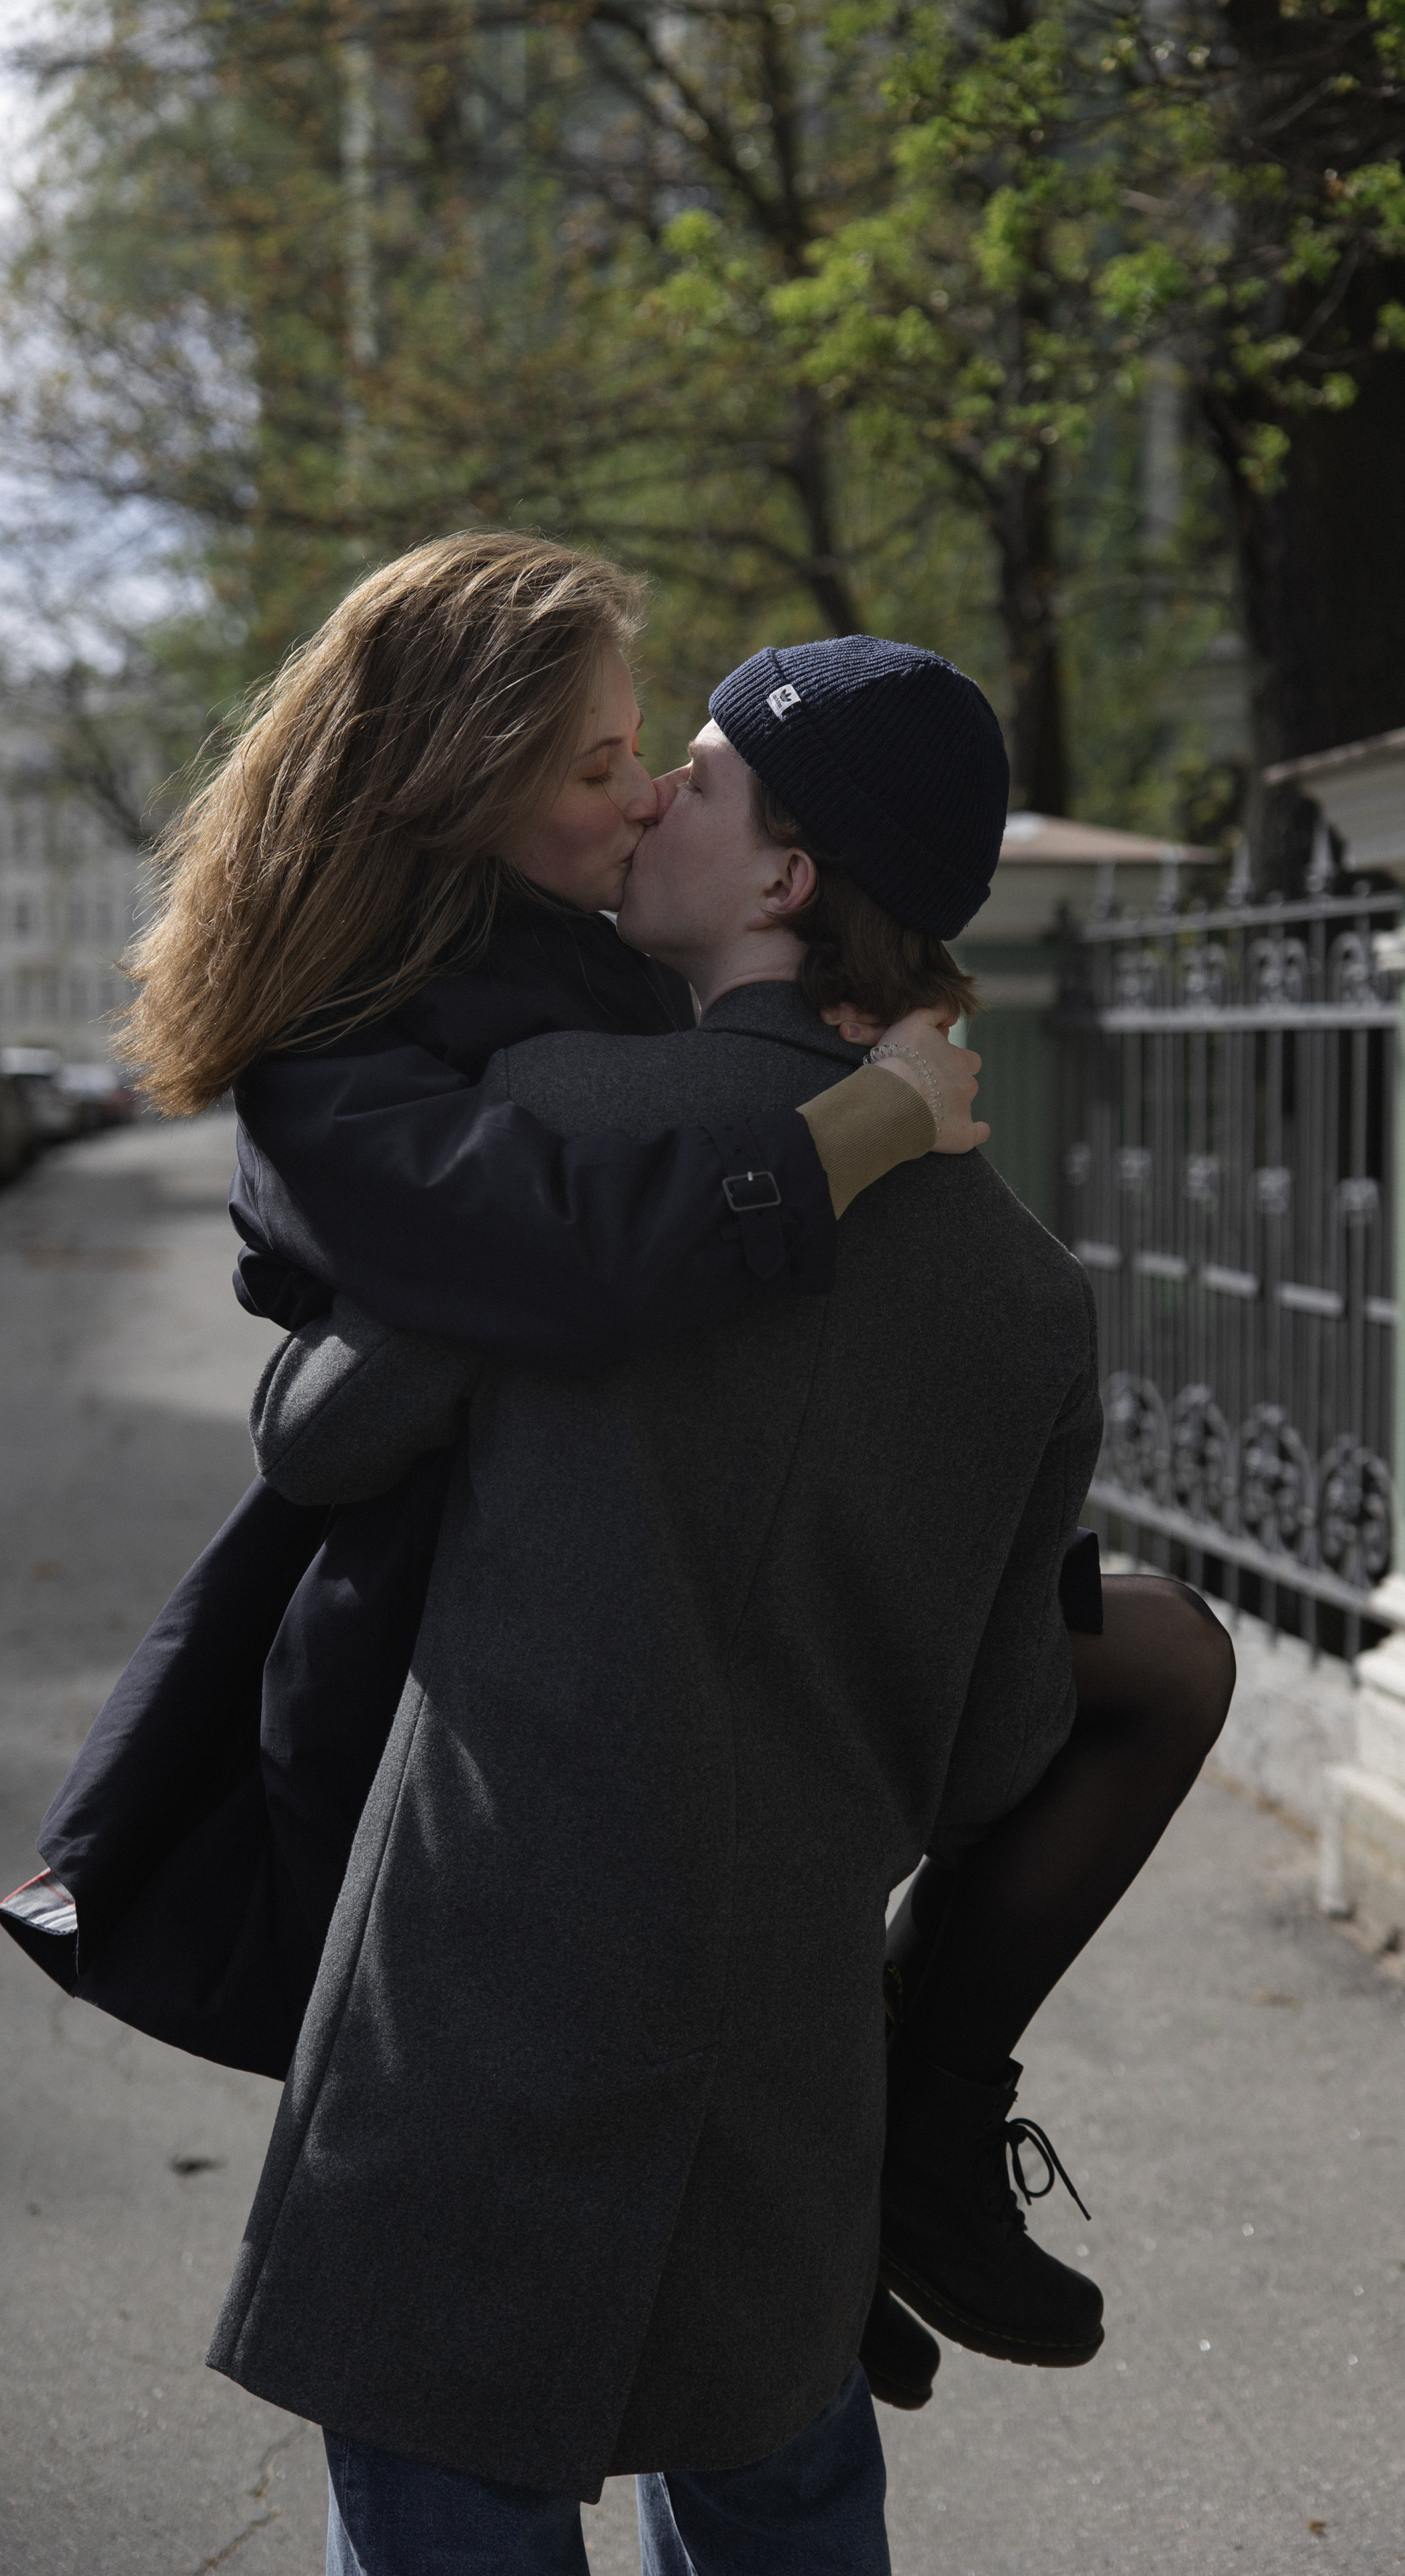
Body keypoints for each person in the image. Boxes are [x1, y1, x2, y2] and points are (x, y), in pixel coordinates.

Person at [1, 545, 1234, 2410]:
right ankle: (899, 2135)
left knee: (1162, 1648)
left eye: (669, 765)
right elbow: (380, 1384)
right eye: (603, 765)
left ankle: (922, 2124)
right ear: (458, 781)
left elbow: (353, 1393)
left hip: (572, 1764)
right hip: (519, 1697)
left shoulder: (585, 1019)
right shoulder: (361, 1050)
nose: (647, 790)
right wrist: (861, 1125)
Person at [217, 636, 1104, 2573]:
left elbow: (320, 1439)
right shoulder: (1030, 1291)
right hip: (780, 2045)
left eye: (690, 776)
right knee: (783, 2500)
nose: (642, 801)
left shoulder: (558, 1113)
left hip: (479, 2004)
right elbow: (993, 1759)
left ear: (785, 879)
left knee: (453, 2492)